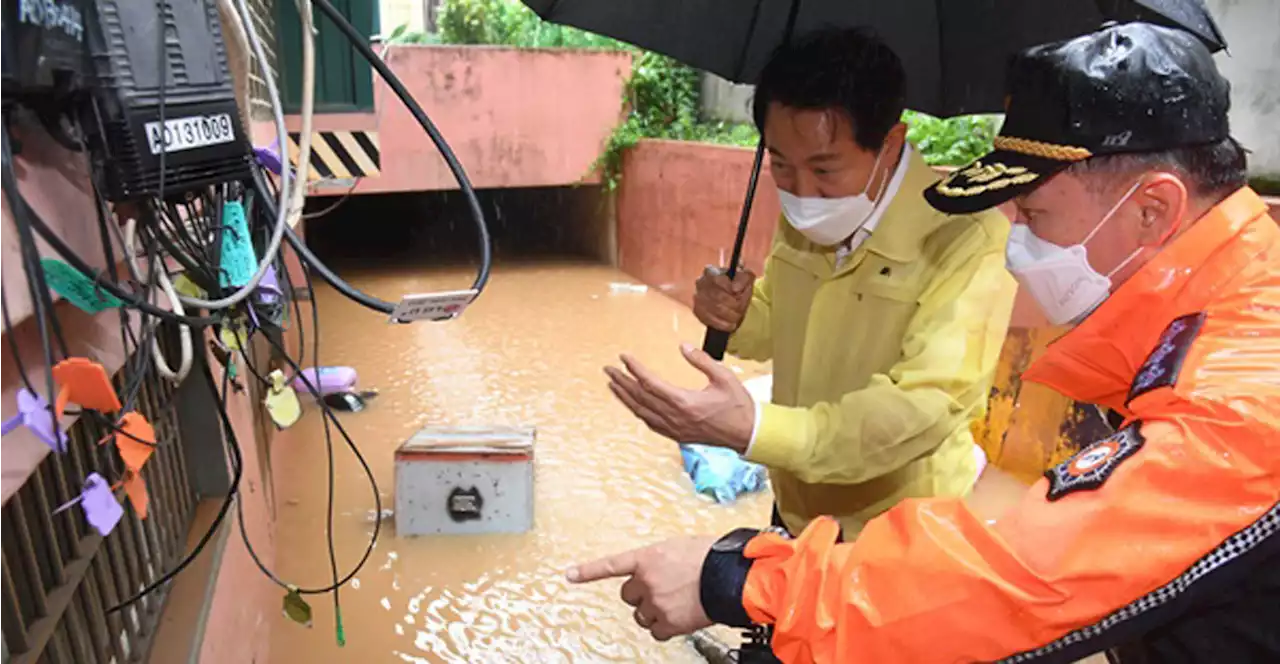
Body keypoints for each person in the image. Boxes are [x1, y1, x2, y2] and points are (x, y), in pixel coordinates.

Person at [571, 22, 1280, 663]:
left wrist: (734, 579)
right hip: (808, 524)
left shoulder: (1244, 398)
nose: (1017, 246)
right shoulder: (1206, 320)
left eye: (1033, 214)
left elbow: (1013, 582)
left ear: (1152, 209)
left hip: (890, 537)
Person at [605, 27, 1016, 538]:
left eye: (825, 168)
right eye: (780, 164)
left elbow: (920, 410)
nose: (802, 193)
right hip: (797, 508)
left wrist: (755, 429)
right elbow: (775, 326)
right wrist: (732, 313)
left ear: (890, 144)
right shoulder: (810, 215)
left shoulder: (967, 237)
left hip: (900, 533)